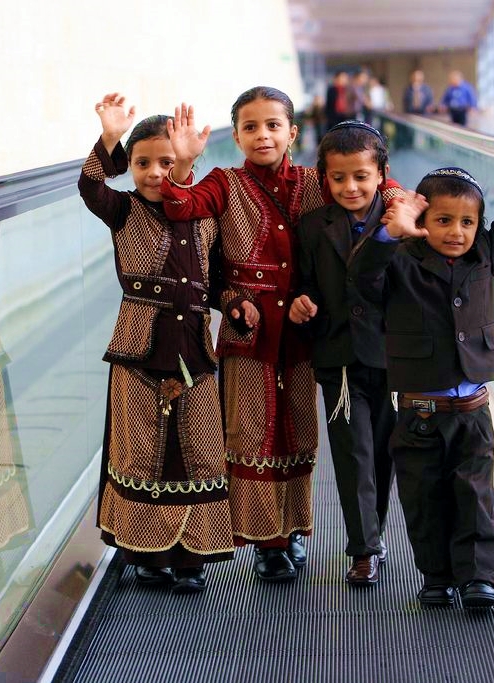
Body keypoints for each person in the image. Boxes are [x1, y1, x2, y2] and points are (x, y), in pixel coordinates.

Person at [161, 87, 402, 583]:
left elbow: (384, 188)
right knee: (250, 436)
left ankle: (292, 529)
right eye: (250, 127)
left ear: (293, 132)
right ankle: (265, 543)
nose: (262, 135)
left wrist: (403, 204)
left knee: (298, 433)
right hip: (249, 332)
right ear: (236, 136)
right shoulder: (223, 183)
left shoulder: (319, 181)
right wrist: (182, 165)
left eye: (273, 125)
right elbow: (182, 209)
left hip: (308, 330)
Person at [350, 132, 494, 608]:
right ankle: (436, 576)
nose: (456, 231)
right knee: (424, 497)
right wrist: (392, 232)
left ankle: (478, 578)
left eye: (467, 222)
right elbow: (361, 276)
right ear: (422, 218)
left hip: (472, 411)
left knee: (475, 495)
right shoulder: (400, 263)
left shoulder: (486, 256)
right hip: (419, 414)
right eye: (443, 220)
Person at [77, 93, 234, 594]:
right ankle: (147, 555)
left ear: (186, 159)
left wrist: (234, 304)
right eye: (143, 163)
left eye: (167, 161)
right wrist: (109, 138)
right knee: (143, 447)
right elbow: (90, 185)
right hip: (138, 347)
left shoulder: (204, 213)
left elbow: (222, 274)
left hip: (194, 345)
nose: (153, 172)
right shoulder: (122, 210)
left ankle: (191, 555)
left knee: (198, 448)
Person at [289, 120, 395, 586]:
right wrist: (301, 300)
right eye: (338, 178)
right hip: (339, 358)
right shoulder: (313, 226)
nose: (350, 187)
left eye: (360, 177)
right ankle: (363, 548)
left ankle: (376, 531)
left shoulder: (401, 222)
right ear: (322, 178)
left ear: (380, 174)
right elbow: (304, 281)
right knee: (353, 454)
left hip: (393, 358)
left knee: (384, 453)